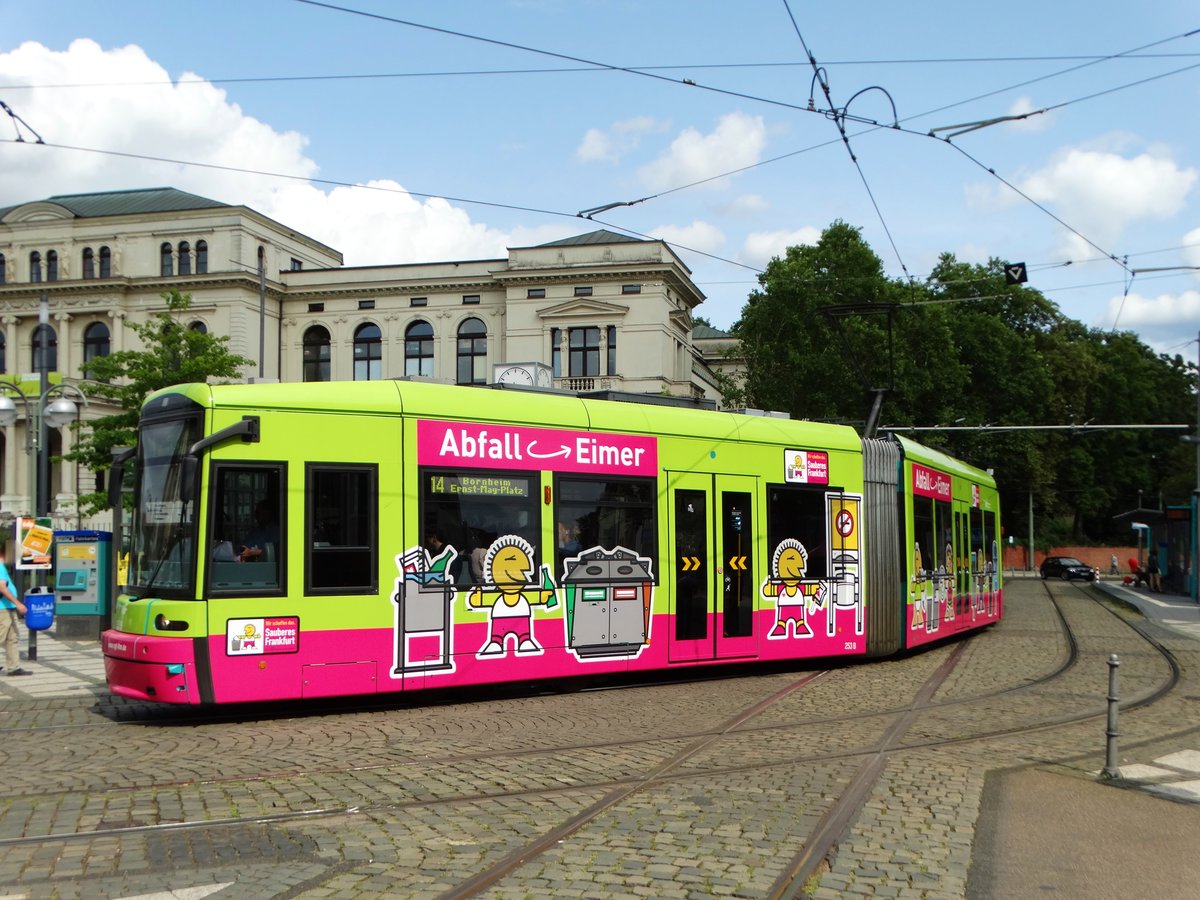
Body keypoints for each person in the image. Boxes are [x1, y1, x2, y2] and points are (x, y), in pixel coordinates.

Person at [0, 546, 31, 676]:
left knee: (12, 638)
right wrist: (18, 603)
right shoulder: (0, 567)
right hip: (3, 609)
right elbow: (2, 588)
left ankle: (14, 667)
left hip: (8, 608)